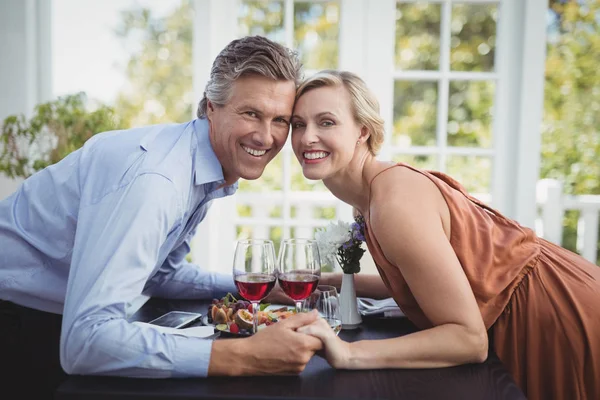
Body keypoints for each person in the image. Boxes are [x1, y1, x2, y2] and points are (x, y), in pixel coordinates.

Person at [0, 36, 322, 399]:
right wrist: (245, 356)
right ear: (210, 107)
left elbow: (162, 273)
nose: (267, 136)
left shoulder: (200, 168)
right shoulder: (158, 182)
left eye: (280, 119)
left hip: (45, 317)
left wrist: (252, 287)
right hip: (14, 320)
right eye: (251, 113)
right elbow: (86, 340)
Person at [290, 70, 600, 400]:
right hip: (542, 307)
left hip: (555, 314)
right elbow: (421, 283)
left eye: (326, 122)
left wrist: (348, 354)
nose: (307, 137)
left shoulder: (394, 202)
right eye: (298, 124)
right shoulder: (368, 198)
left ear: (362, 131)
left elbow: (469, 340)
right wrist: (317, 283)